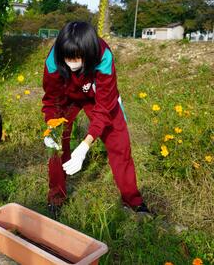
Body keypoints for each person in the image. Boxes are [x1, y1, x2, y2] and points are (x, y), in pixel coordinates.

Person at [42, 21, 150, 217]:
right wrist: (52, 125)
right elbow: (52, 100)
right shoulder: (53, 61)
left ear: (88, 53)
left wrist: (84, 146)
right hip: (67, 98)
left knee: (120, 142)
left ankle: (132, 199)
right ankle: (56, 196)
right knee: (56, 143)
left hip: (98, 99)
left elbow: (104, 109)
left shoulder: (104, 57)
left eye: (76, 58)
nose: (70, 63)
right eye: (67, 58)